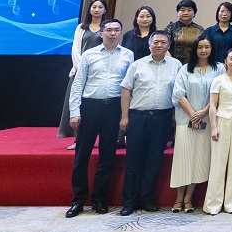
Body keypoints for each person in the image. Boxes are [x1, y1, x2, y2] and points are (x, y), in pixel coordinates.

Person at [67, 18, 131, 217]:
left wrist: (125, 114)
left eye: (116, 30)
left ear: (120, 33)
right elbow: (78, 84)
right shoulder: (89, 54)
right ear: (101, 33)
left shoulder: (128, 55)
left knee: (107, 156)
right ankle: (78, 200)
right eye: (109, 30)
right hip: (90, 106)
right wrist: (74, 112)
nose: (112, 33)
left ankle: (99, 199)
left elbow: (128, 86)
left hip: (113, 107)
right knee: (82, 156)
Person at [119, 30, 181, 216]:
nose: (159, 45)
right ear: (149, 45)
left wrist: (175, 118)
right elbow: (126, 91)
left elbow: (179, 93)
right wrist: (124, 117)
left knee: (154, 160)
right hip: (138, 117)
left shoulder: (176, 65)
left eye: (163, 42)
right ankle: (129, 201)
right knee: (133, 160)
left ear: (169, 46)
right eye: (156, 42)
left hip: (163, 118)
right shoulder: (137, 65)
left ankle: (147, 199)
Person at [170, 34, 222, 213]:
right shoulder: (185, 69)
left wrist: (203, 113)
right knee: (183, 159)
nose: (203, 50)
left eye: (207, 47)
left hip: (207, 121)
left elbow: (220, 95)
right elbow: (178, 94)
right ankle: (178, 198)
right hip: (186, 121)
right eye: (200, 47)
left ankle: (188, 198)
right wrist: (193, 115)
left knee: (198, 161)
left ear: (212, 49)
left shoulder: (219, 68)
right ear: (195, 49)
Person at [204, 48, 232, 215]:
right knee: (218, 162)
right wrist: (213, 127)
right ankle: (213, 204)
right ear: (225, 61)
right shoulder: (218, 80)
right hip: (222, 120)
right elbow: (213, 105)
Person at [60, 0, 107, 144]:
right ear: (89, 9)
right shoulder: (81, 27)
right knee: (77, 105)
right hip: (80, 71)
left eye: (100, 7)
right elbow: (76, 49)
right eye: (94, 7)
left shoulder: (107, 28)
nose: (97, 10)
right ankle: (77, 139)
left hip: (99, 73)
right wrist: (82, 68)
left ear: (105, 10)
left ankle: (93, 138)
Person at [165, 0, 204, 65]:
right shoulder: (170, 28)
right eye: (182, 10)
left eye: (189, 10)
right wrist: (172, 62)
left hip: (195, 64)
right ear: (177, 13)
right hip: (173, 63)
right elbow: (164, 46)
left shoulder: (200, 29)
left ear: (194, 13)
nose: (186, 13)